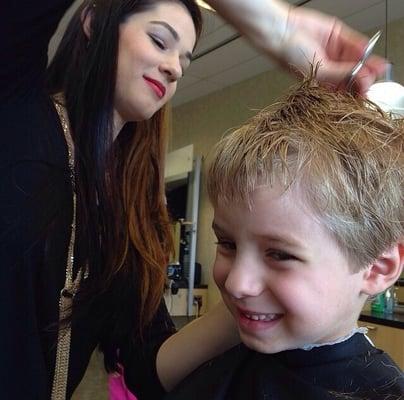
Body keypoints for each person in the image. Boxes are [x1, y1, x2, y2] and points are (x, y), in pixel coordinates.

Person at [0, 0, 387, 399]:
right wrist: (279, 26)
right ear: (93, 21)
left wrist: (255, 299)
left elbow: (146, 366)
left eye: (184, 61)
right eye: (159, 40)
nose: (174, 68)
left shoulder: (132, 212)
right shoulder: (13, 109)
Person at [165, 72, 404, 399]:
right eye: (228, 244)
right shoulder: (216, 365)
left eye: (279, 254)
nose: (236, 283)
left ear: (377, 268)